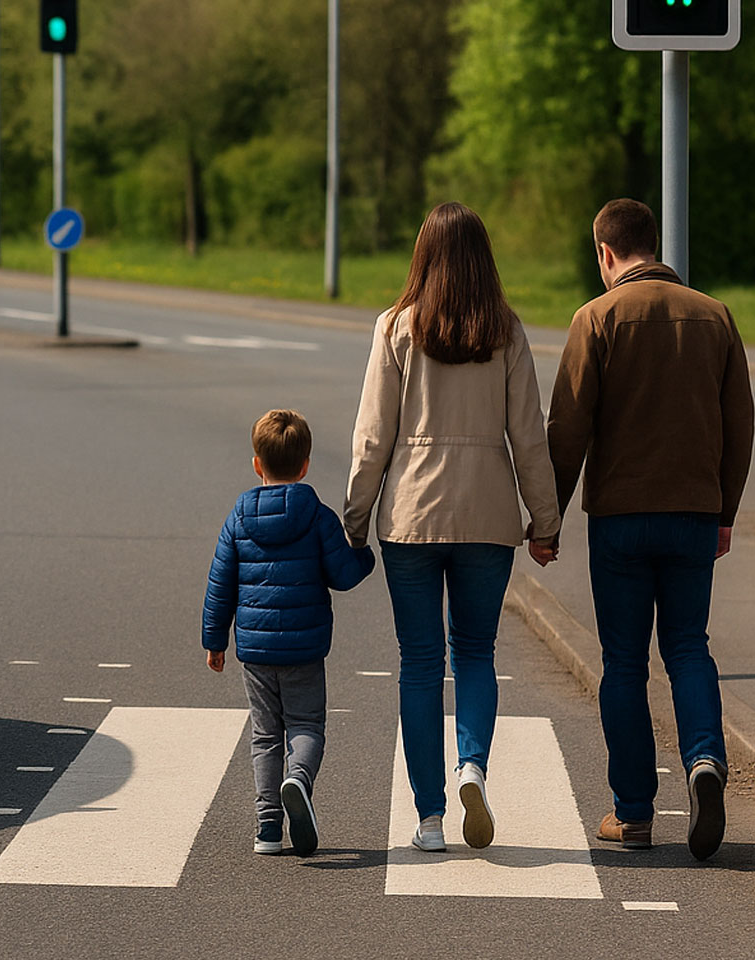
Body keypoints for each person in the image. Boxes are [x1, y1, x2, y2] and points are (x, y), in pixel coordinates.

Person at [344, 202, 562, 854]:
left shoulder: (395, 328)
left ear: (424, 256)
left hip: (411, 515)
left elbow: (373, 436)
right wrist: (544, 520)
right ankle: (472, 766)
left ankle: (430, 818)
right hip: (487, 514)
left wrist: (355, 520)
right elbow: (529, 436)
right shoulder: (506, 331)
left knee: (419, 663)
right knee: (475, 652)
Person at [546, 197, 754, 861]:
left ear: (605, 253)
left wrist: (548, 517)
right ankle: (705, 760)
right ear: (654, 244)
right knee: (688, 646)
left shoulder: (596, 318)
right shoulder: (714, 316)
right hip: (694, 513)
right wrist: (725, 511)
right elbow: (740, 425)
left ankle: (634, 814)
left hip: (620, 519)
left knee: (624, 663)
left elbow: (568, 427)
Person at [204, 409, 375, 857]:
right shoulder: (317, 516)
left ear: (257, 464)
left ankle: (267, 828)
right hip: (304, 647)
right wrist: (366, 556)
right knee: (306, 725)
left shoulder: (238, 518)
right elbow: (343, 574)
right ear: (305, 465)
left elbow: (220, 582)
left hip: (255, 648)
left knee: (265, 735)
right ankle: (297, 778)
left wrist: (214, 640)